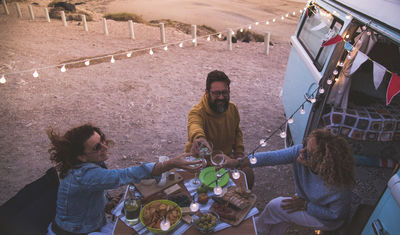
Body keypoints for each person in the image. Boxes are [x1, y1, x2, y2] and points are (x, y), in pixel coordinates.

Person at [47, 124, 201, 235]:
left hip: (93, 222)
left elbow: (89, 195)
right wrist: (170, 163)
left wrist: (106, 204)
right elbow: (125, 175)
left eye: (102, 140)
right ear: (80, 156)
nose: (105, 147)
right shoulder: (84, 175)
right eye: (96, 147)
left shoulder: (87, 164)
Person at [223, 129, 355, 234]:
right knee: (281, 215)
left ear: (323, 162)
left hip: (325, 219)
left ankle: (256, 229)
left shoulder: (340, 184)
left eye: (309, 153)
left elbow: (336, 215)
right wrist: (237, 162)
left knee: (276, 206)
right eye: (304, 144)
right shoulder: (300, 152)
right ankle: (261, 229)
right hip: (305, 201)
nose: (302, 151)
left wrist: (305, 205)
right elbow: (270, 157)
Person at [185, 70, 254, 188]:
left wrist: (238, 155)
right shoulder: (197, 112)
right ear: (207, 93)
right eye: (216, 93)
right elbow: (194, 125)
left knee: (248, 173)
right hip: (201, 162)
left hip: (225, 160)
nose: (221, 97)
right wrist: (199, 138)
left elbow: (237, 133)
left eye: (225, 92)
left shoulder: (232, 109)